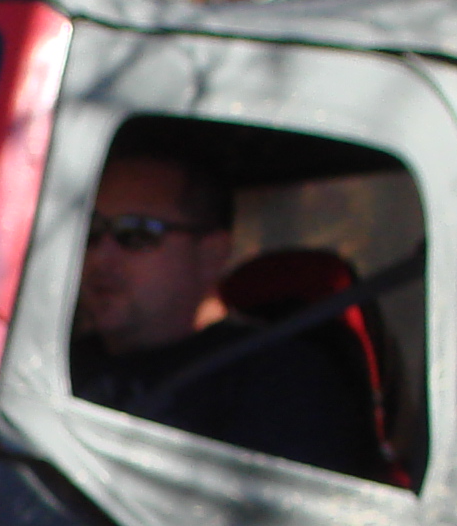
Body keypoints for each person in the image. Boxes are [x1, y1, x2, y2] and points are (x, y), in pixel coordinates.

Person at [69, 150, 391, 483]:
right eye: (91, 231)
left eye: (136, 234)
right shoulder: (57, 360)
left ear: (212, 253)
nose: (100, 257)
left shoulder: (279, 383)